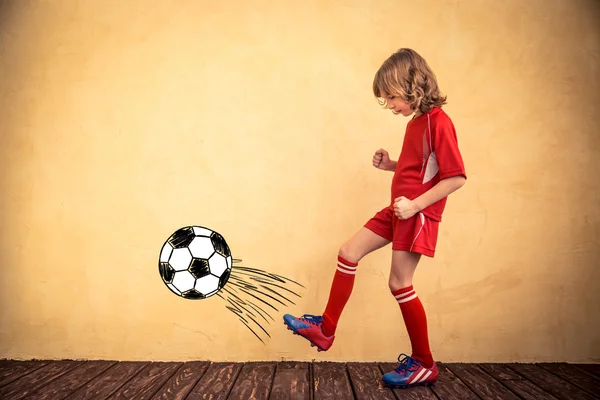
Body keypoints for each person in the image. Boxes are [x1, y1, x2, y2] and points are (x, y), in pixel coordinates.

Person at [283, 48, 467, 388]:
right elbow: (423, 167)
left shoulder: (439, 121)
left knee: (399, 283)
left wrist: (414, 207)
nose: (391, 106)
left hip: (416, 213)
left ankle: (424, 363)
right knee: (348, 252)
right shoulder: (416, 123)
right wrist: (392, 165)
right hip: (398, 209)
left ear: (412, 85)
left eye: (392, 98)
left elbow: (455, 177)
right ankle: (326, 330)